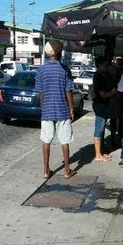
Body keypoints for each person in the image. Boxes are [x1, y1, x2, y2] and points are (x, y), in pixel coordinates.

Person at [35, 40, 76, 179]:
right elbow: (68, 91)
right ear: (60, 53)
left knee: (46, 140)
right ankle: (66, 171)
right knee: (64, 141)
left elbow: (40, 92)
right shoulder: (64, 69)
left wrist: (43, 106)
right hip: (62, 110)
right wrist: (71, 109)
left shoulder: (40, 70)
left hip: (47, 110)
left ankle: (46, 171)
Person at [92, 56, 118, 162]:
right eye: (106, 65)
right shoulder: (98, 76)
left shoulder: (103, 75)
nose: (107, 67)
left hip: (103, 104)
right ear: (100, 65)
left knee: (101, 129)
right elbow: (103, 95)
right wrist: (114, 92)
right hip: (100, 104)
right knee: (99, 129)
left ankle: (101, 151)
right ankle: (98, 155)